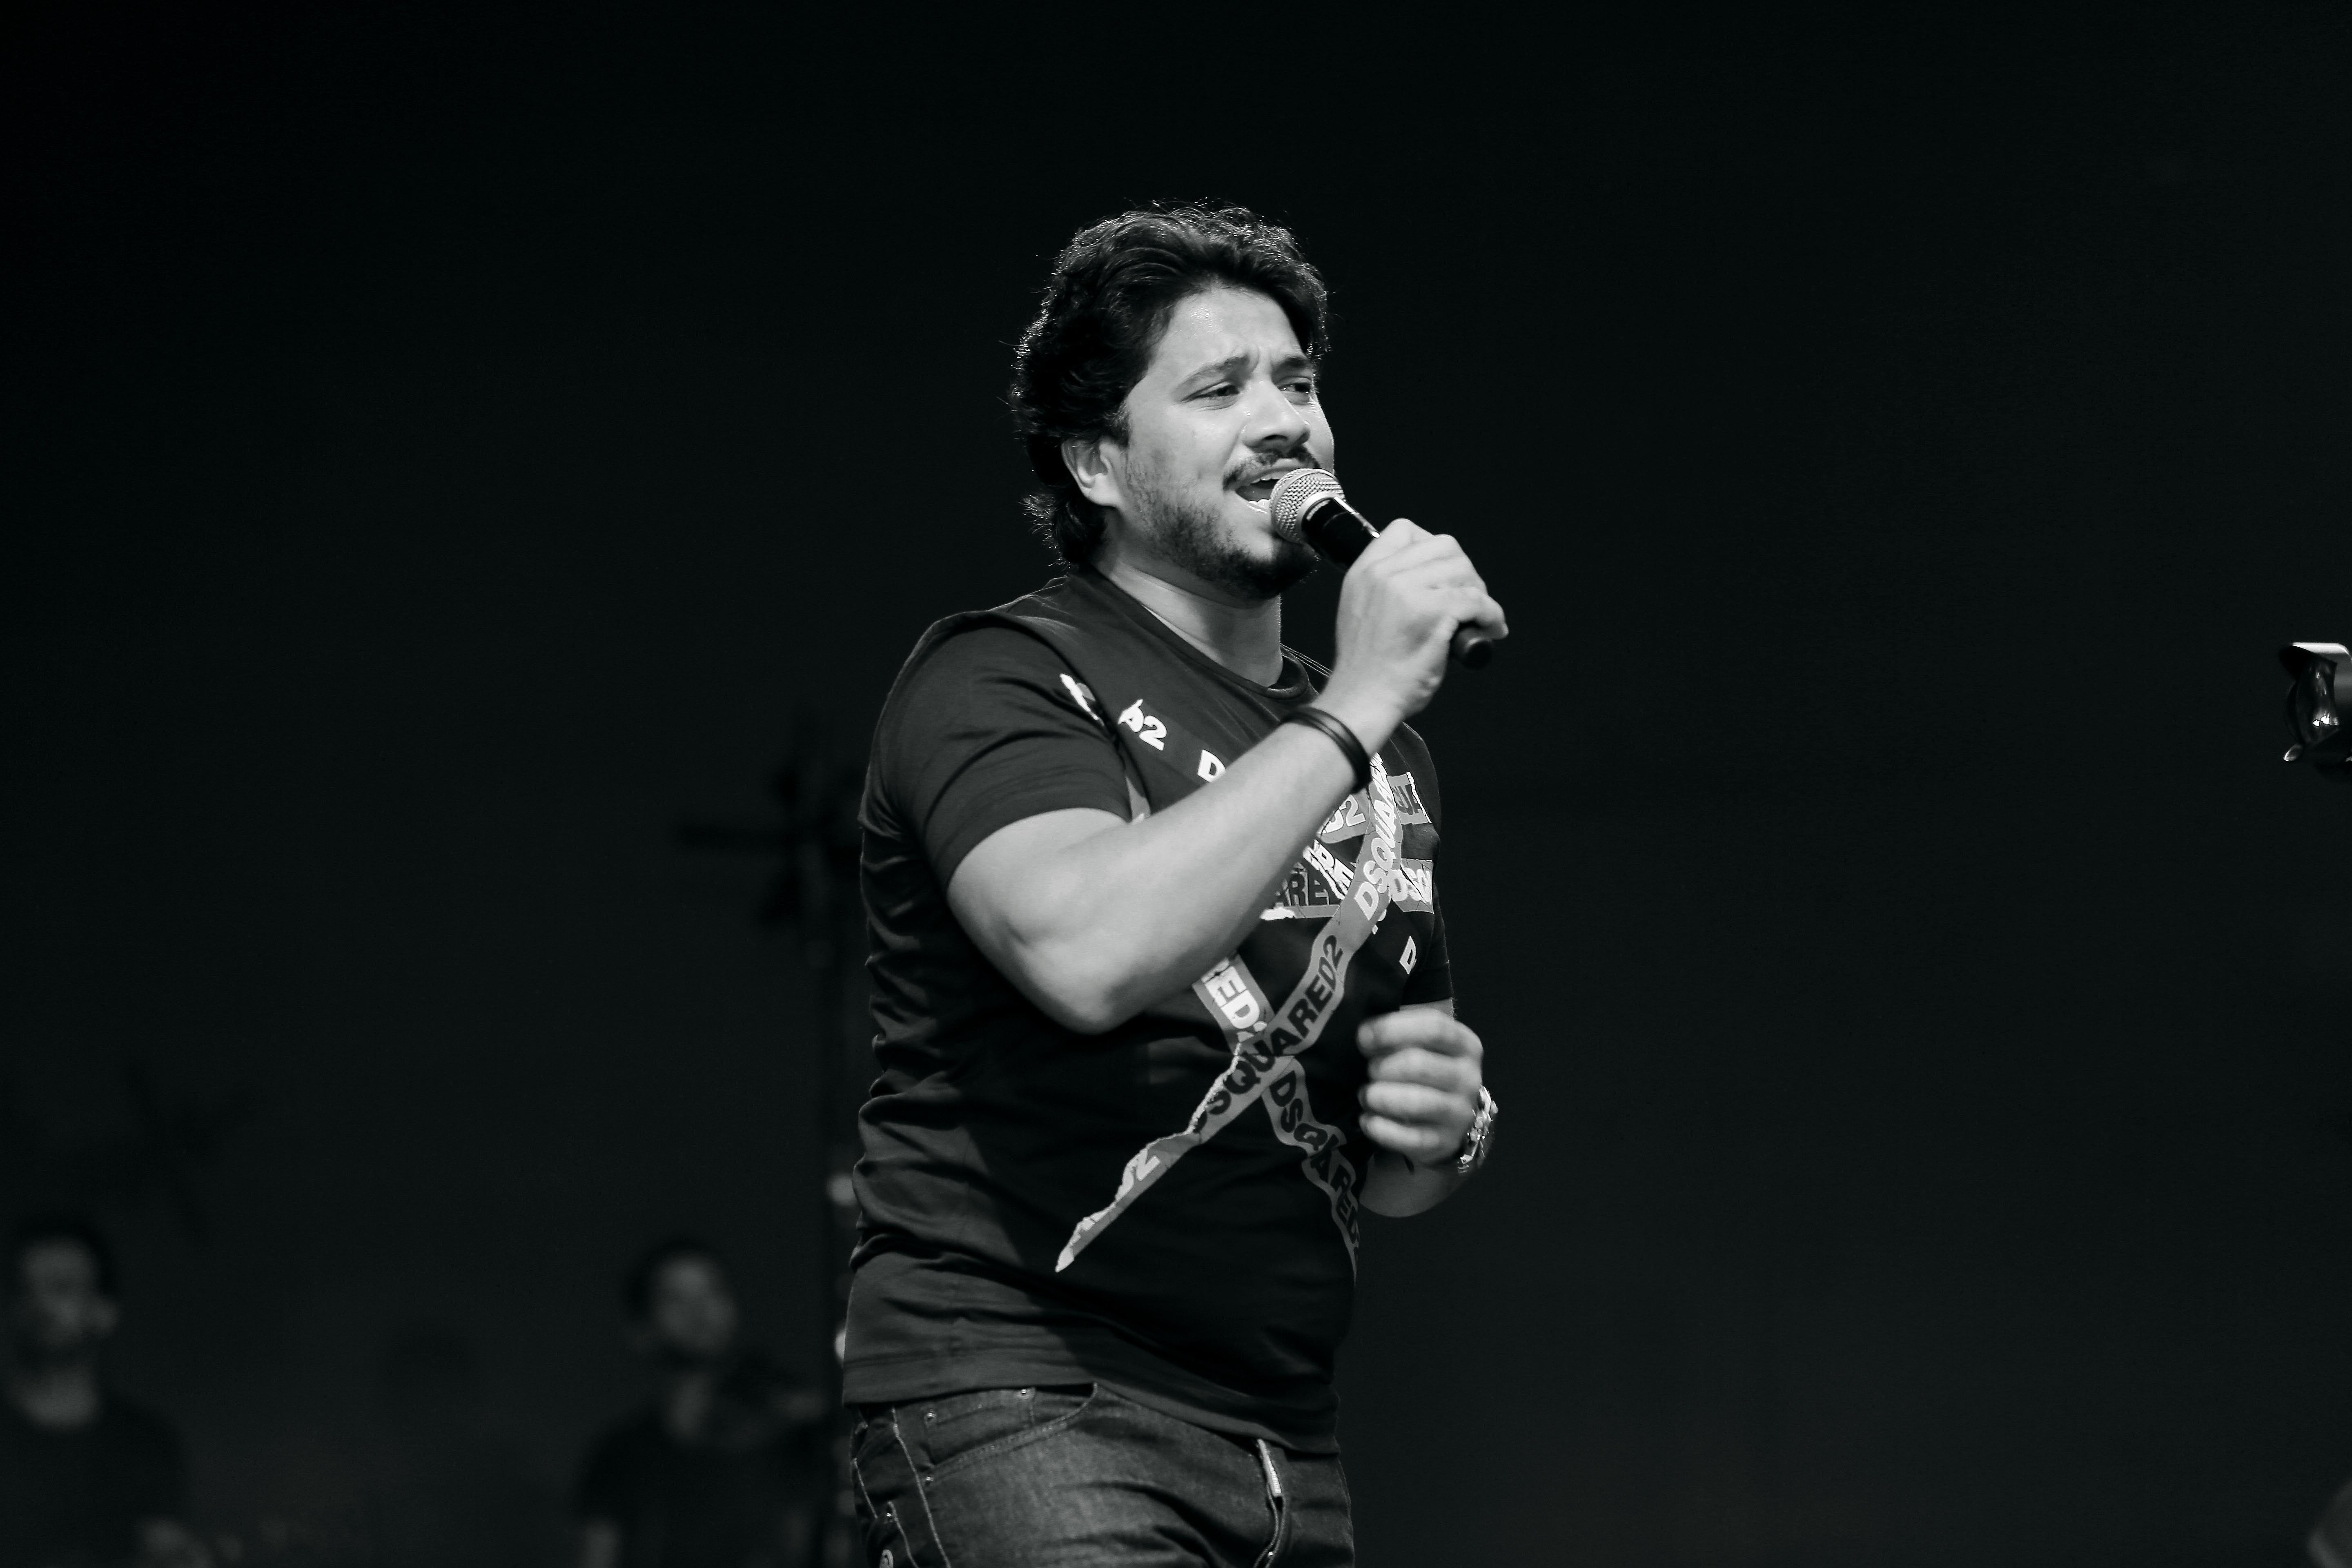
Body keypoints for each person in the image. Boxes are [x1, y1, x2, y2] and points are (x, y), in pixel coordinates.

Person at [845, 204, 1507, 1567]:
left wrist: (1446, 1129)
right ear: (1095, 463)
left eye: (1299, 384)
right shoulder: (1003, 677)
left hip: (1284, 1437)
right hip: (1028, 1395)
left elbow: (1388, 1167)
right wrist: (1363, 700)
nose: (1283, 422)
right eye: (1217, 391)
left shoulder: (1382, 755)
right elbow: (1085, 954)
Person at [575, 1238, 827, 1568]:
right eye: (676, 1298)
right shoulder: (620, 1457)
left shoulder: (789, 1434)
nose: (700, 1311)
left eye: (713, 1292)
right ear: (641, 1329)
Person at [0, 1213, 207, 1568]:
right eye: (25, 1287)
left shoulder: (146, 1444)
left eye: (61, 1288)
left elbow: (164, 1548)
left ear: (105, 1312)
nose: (40, 1304)